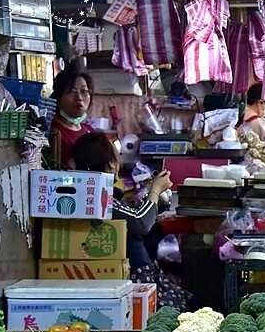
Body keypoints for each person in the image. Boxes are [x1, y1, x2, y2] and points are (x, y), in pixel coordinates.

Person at [72, 132, 193, 310]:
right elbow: (140, 222)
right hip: (135, 275)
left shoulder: (88, 195)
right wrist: (155, 190)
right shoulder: (101, 199)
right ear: (112, 164)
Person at [50, 67, 96, 169]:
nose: (79, 98)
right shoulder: (53, 132)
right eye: (71, 91)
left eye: (84, 91)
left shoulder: (89, 130)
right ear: (58, 97)